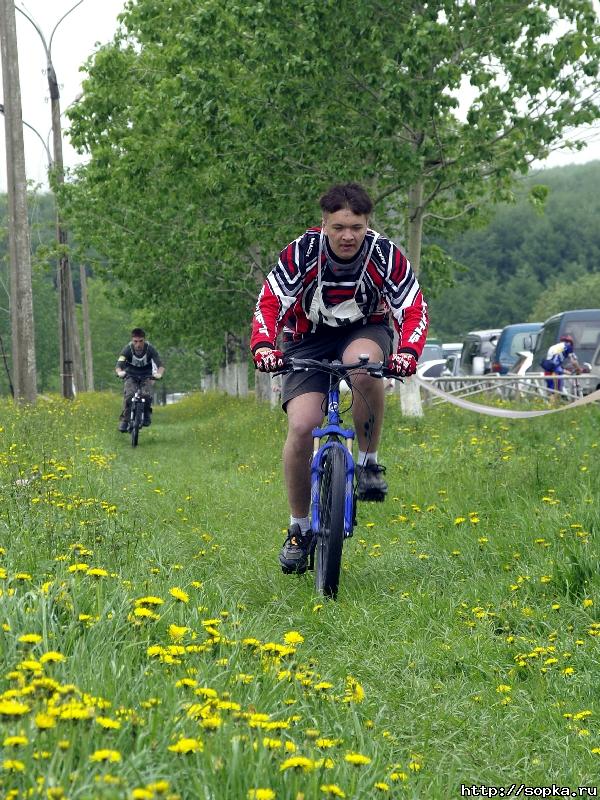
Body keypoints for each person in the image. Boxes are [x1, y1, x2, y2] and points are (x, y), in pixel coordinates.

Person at [250, 182, 428, 573]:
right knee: (303, 425)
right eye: (339, 227)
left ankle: (368, 464)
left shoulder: (385, 255)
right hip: (306, 337)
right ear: (324, 224)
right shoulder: (300, 253)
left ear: (368, 225)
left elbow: (412, 307)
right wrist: (263, 346)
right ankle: (298, 529)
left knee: (363, 365)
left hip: (364, 329)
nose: (348, 236)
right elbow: (270, 301)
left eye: (357, 227)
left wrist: (408, 354)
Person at [115, 328, 164, 432]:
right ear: (132, 340)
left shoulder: (150, 349)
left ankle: (146, 414)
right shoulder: (127, 349)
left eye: (141, 341)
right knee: (129, 395)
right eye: (135, 341)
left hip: (146, 375)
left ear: (144, 340)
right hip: (130, 375)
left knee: (146, 395)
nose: (138, 344)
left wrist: (159, 374)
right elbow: (119, 364)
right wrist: (120, 372)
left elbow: (160, 364)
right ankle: (125, 420)